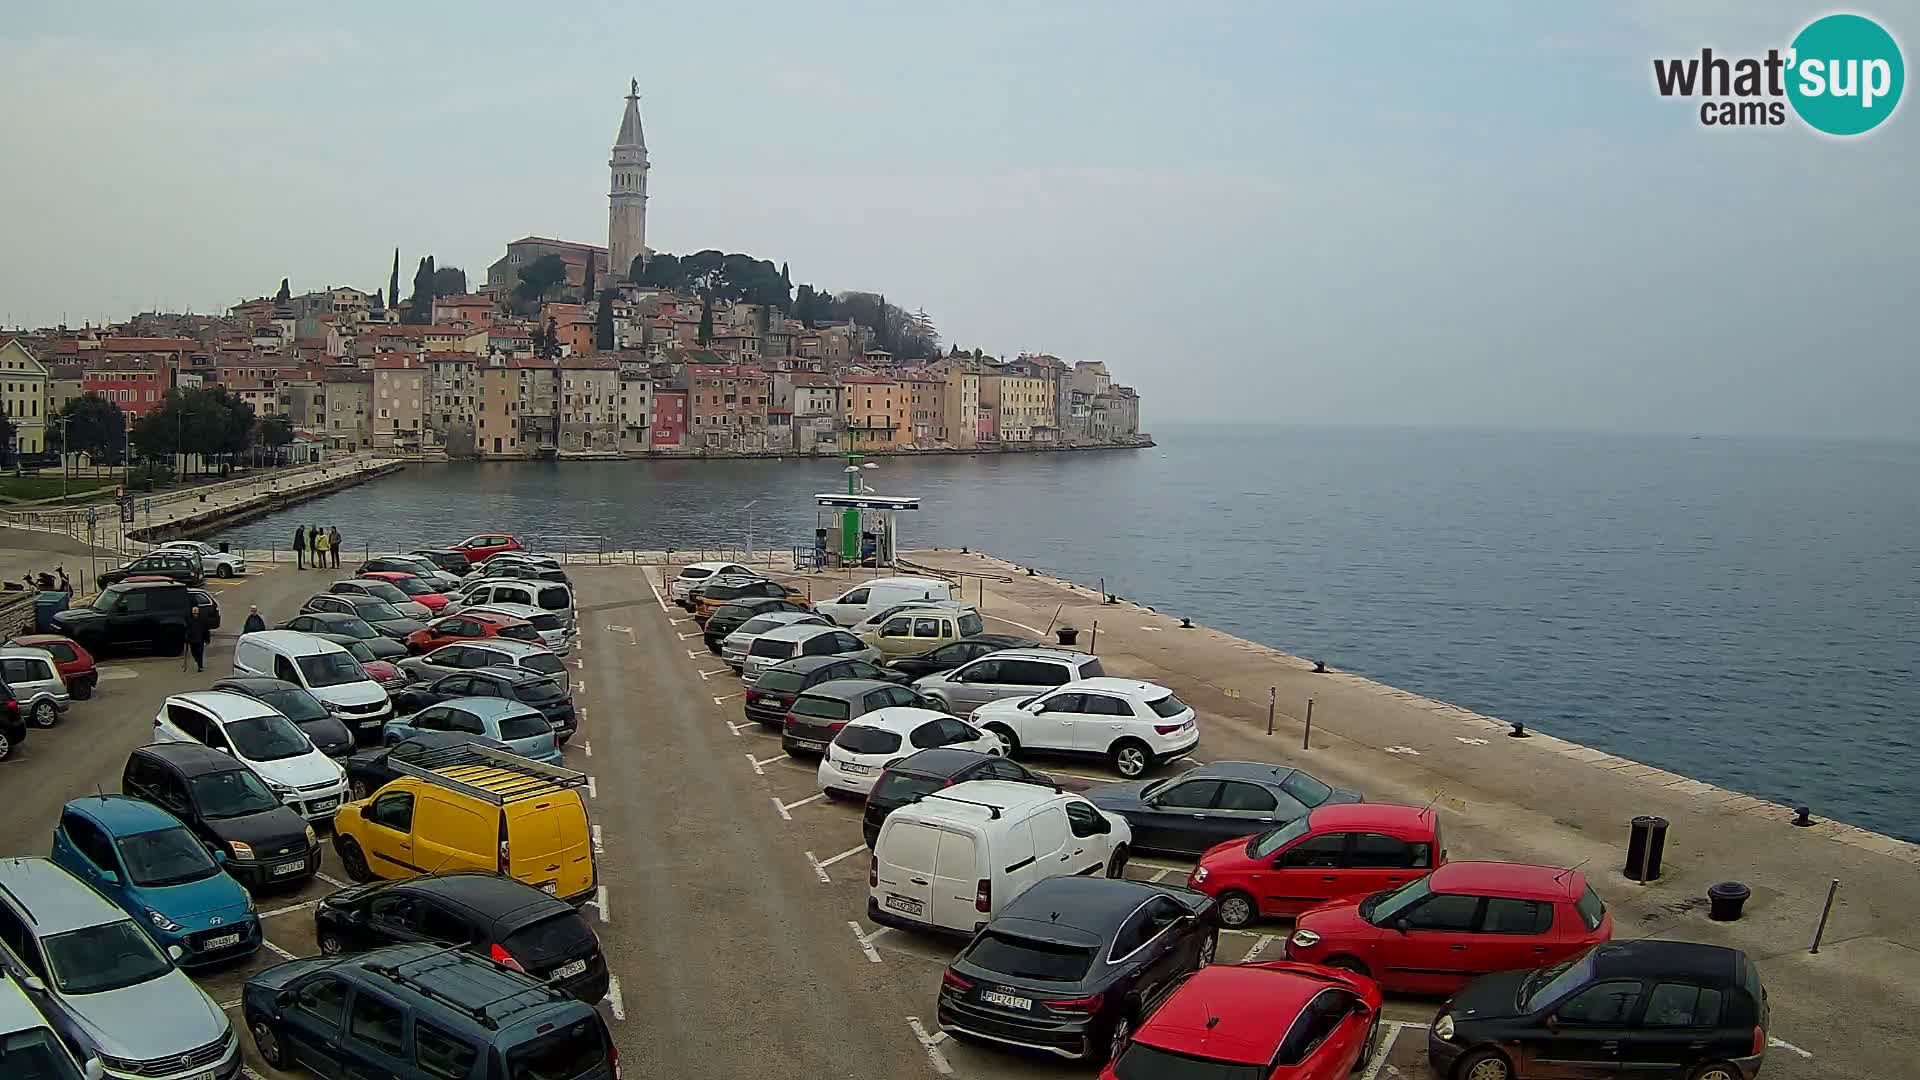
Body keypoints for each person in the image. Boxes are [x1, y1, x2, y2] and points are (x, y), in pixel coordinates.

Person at [185, 605, 210, 672]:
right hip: (192, 640)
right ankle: (197, 660)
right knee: (194, 653)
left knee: (200, 653)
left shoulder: (202, 620)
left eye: (196, 613)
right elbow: (187, 630)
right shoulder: (189, 620)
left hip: (200, 640)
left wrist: (207, 639)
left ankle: (200, 666)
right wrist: (186, 638)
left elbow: (206, 630)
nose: (195, 614)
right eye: (194, 613)